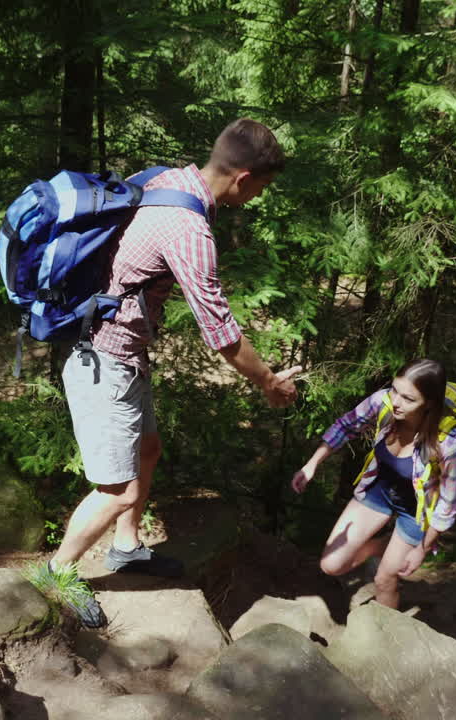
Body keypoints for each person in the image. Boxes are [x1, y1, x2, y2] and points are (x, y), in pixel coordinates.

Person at [50, 119, 301, 627]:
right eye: (262, 188)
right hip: (103, 359)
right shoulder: (188, 227)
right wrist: (269, 381)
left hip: (121, 351)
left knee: (148, 449)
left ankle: (126, 545)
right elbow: (221, 332)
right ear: (244, 179)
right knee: (115, 489)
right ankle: (56, 573)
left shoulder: (165, 178)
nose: (257, 198)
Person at [292, 359, 456, 609]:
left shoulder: (448, 444)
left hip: (415, 511)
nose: (396, 402)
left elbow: (448, 504)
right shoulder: (383, 403)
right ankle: (382, 547)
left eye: (408, 398)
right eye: (395, 390)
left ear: (429, 403)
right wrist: (312, 464)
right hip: (379, 488)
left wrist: (422, 549)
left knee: (384, 580)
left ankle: (386, 639)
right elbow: (346, 425)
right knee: (332, 565)